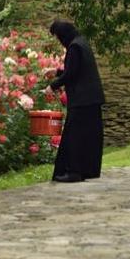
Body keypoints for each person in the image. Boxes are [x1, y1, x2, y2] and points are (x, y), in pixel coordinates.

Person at [46, 19, 106, 183]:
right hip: (91, 99)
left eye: (58, 37)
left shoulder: (74, 47)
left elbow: (71, 74)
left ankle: (74, 171)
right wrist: (57, 71)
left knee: (74, 136)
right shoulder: (82, 43)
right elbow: (76, 69)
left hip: (82, 100)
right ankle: (87, 169)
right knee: (88, 136)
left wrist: (53, 86)